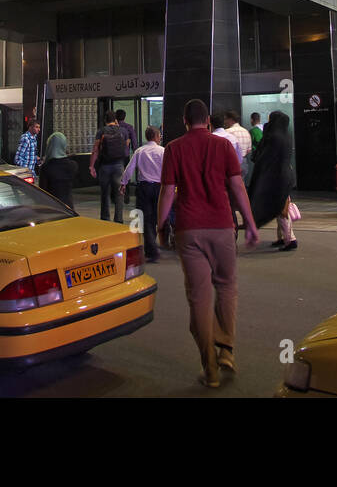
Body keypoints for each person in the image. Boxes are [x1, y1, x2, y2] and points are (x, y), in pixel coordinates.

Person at [157, 99, 259, 388]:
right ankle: (226, 349)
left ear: (185, 121)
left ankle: (210, 368)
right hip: (223, 226)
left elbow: (167, 192)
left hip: (190, 231)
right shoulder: (223, 146)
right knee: (226, 287)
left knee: (199, 298)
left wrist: (160, 226)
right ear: (210, 122)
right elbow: (238, 188)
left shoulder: (174, 148)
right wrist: (250, 224)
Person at [249, 111, 297, 251]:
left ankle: (290, 239)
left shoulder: (273, 137)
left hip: (276, 177)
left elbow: (263, 156)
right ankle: (282, 237)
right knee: (282, 207)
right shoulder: (286, 136)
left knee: (280, 208)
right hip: (286, 174)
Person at [122, 126, 165, 262]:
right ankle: (159, 244)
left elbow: (130, 168)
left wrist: (123, 183)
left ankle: (151, 250)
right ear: (157, 137)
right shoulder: (163, 151)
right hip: (159, 187)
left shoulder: (139, 151)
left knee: (146, 219)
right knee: (158, 216)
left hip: (144, 188)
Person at [90, 111, 128, 223]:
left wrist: (91, 166)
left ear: (105, 120)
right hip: (119, 165)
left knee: (105, 193)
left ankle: (105, 219)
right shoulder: (123, 131)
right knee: (119, 193)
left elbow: (95, 149)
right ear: (115, 119)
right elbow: (125, 148)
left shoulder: (101, 131)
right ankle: (119, 219)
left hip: (104, 166)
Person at [39, 131, 76, 208]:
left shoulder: (46, 167)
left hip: (52, 207)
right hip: (68, 206)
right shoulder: (72, 165)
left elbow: (43, 190)